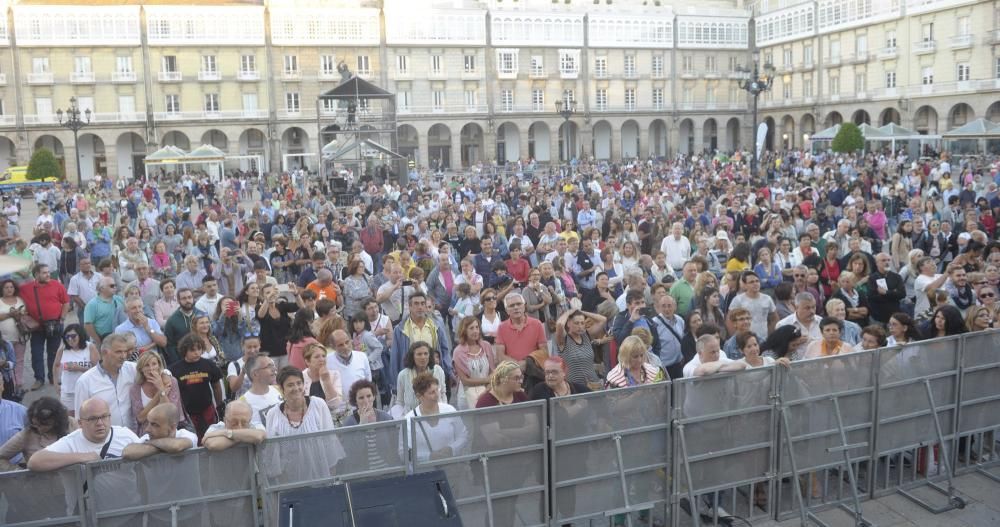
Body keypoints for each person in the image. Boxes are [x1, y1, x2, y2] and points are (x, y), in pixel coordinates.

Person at [28, 398, 140, 471]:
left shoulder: (125, 434)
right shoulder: (71, 442)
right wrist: (84, 457)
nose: (100, 423)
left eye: (104, 416)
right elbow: (35, 462)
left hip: (130, 505)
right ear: (80, 423)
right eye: (93, 419)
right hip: (87, 507)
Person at [73, 333, 138, 431]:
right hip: (104, 440)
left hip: (133, 436)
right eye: (118, 352)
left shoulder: (132, 369)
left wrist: (166, 374)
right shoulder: (85, 381)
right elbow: (80, 418)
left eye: (125, 351)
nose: (124, 356)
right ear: (104, 353)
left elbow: (160, 370)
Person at [21, 264, 71, 389]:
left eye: (48, 272)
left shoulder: (57, 285)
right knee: (36, 353)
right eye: (44, 272)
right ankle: (39, 379)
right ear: (36, 274)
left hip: (55, 324)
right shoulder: (25, 288)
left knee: (53, 353)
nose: (48, 274)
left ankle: (52, 377)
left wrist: (62, 318)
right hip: (37, 327)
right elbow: (18, 303)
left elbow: (66, 302)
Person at [387, 292, 452, 384]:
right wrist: (395, 383)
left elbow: (445, 350)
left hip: (433, 373)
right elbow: (395, 357)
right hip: (411, 376)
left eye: (422, 303)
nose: (420, 307)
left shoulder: (436, 326)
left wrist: (448, 371)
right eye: (416, 304)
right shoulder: (400, 329)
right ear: (409, 307)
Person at [168, 333, 224, 440]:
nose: (197, 353)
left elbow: (216, 385)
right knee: (193, 439)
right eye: (192, 350)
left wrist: (219, 405)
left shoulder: (208, 364)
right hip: (188, 413)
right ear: (184, 351)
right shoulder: (174, 369)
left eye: (199, 349)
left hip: (207, 409)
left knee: (211, 437)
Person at [0, 397, 77, 471]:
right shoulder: (27, 435)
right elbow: (1, 458)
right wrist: (19, 473)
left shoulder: (71, 424)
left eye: (45, 425)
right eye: (36, 424)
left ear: (57, 421)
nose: (40, 428)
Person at [404, 372, 465, 463]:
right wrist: (429, 457)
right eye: (431, 392)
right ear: (419, 396)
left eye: (437, 390)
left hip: (452, 467)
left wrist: (452, 449)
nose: (437, 395)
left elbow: (463, 435)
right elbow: (406, 452)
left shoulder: (449, 410)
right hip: (424, 471)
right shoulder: (409, 419)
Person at [264, 366, 337, 436]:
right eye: (290, 385)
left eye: (299, 383)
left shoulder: (318, 404)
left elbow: (330, 437)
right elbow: (272, 447)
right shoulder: (273, 414)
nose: (296, 388)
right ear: (281, 388)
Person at [129, 351, 186, 436]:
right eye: (146, 365)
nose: (151, 369)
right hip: (147, 433)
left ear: (159, 365)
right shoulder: (136, 388)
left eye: (154, 364)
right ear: (141, 369)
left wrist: (160, 387)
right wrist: (161, 392)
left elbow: (172, 414)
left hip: (169, 432)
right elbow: (140, 418)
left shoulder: (171, 381)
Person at [121, 403, 197, 460]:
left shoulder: (186, 435)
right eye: (148, 423)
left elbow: (176, 446)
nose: (147, 429)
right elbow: (127, 452)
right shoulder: (148, 438)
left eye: (154, 425)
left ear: (172, 427)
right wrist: (164, 447)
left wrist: (148, 445)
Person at [52, 324, 99, 416]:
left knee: (87, 416)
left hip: (87, 389)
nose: (70, 339)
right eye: (67, 336)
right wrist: (56, 383)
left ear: (80, 335)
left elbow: (98, 369)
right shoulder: (63, 349)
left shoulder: (89, 347)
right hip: (68, 390)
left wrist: (79, 368)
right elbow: (56, 365)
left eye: (73, 336)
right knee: (70, 420)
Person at [391, 341, 446, 417]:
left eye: (425, 353)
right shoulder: (403, 375)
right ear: (412, 356)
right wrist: (403, 420)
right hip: (412, 418)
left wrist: (445, 413)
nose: (423, 357)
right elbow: (400, 401)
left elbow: (443, 393)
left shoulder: (438, 370)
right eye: (419, 354)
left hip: (436, 415)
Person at [554, 309, 606, 388]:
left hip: (594, 385)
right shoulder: (564, 340)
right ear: (568, 323)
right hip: (574, 387)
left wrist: (581, 312)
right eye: (576, 323)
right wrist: (568, 312)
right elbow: (560, 324)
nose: (580, 326)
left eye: (582, 323)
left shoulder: (587, 336)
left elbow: (603, 320)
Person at [728, 271, 778, 341]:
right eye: (751, 282)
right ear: (745, 285)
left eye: (757, 281)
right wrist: (735, 338)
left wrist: (771, 335)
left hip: (764, 338)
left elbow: (774, 318)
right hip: (744, 339)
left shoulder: (767, 299)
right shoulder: (738, 300)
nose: (755, 284)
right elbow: (729, 320)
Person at [327, 328, 373, 400]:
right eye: (340, 345)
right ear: (333, 347)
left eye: (347, 342)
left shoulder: (362, 357)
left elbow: (368, 381)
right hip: (340, 409)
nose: (345, 347)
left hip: (361, 406)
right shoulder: (327, 362)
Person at [202, 399, 266, 450]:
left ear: (250, 420)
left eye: (244, 423)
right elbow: (213, 444)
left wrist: (226, 433)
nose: (239, 427)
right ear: (225, 420)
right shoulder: (216, 428)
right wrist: (245, 437)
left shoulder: (255, 425)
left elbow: (258, 436)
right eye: (234, 423)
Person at [775, 293, 823, 361]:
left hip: (820, 365)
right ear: (796, 307)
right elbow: (777, 350)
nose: (812, 311)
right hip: (794, 367)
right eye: (807, 308)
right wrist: (793, 342)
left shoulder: (822, 322)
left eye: (814, 307)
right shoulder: (783, 325)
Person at [238, 353, 282, 426]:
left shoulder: (279, 390)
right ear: (255, 374)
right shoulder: (242, 403)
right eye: (269, 366)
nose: (274, 369)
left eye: (273, 365)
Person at [301, 342, 344, 412]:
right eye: (317, 357)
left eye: (323, 356)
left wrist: (326, 380)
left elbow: (336, 405)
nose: (322, 359)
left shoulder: (334, 374)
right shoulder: (300, 377)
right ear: (307, 361)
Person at [163, 288, 202, 364]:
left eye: (189, 297)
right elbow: (169, 345)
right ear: (178, 301)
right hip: (183, 360)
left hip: (203, 356)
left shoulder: (201, 315)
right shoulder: (172, 321)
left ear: (193, 298)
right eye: (184, 298)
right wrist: (178, 362)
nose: (187, 301)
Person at [867, 253, 907, 324]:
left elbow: (902, 294)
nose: (887, 262)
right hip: (878, 317)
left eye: (888, 260)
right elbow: (871, 297)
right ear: (877, 263)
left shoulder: (897, 277)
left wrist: (886, 292)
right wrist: (894, 293)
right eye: (883, 260)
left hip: (894, 316)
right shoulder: (872, 278)